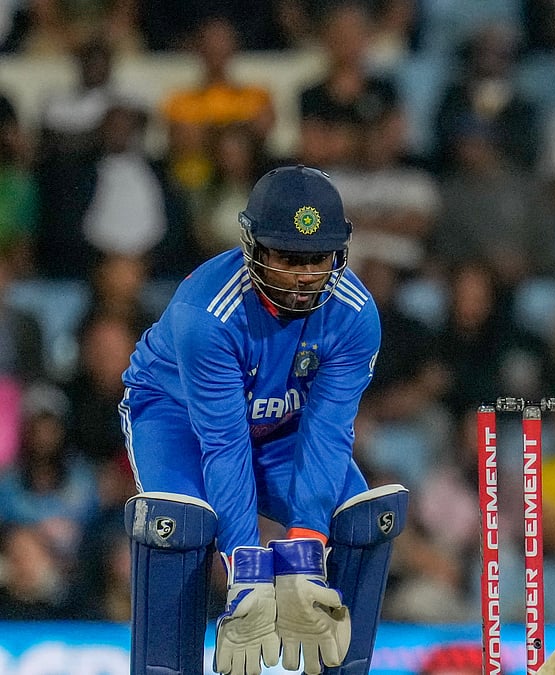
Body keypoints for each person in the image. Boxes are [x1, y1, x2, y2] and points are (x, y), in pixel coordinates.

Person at [120, 166, 408, 675]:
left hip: (283, 428)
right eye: (287, 258)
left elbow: (328, 433)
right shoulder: (206, 314)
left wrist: (304, 553)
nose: (303, 276)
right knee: (178, 524)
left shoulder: (355, 314)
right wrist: (246, 567)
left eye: (317, 259)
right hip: (177, 417)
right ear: (253, 247)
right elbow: (223, 444)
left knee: (358, 522)